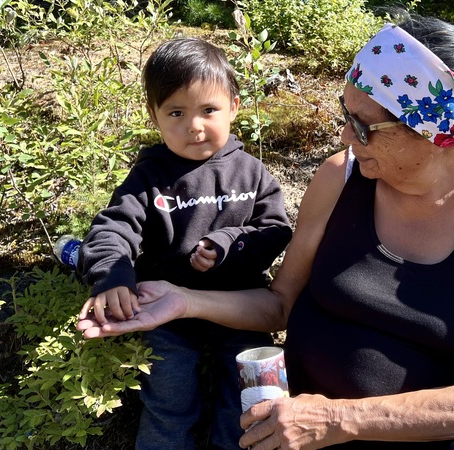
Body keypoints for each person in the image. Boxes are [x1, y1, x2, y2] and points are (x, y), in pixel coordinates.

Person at [78, 14, 454, 450]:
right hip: (298, 425)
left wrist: (337, 419)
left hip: (413, 431)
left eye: (365, 127)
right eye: (346, 115)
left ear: (434, 130)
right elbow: (280, 304)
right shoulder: (342, 175)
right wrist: (185, 301)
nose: (346, 137)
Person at [76, 37, 293, 450]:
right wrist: (112, 276)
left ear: (234, 105)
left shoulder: (251, 172)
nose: (194, 126)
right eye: (176, 112)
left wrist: (229, 242)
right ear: (153, 116)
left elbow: (275, 229)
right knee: (170, 396)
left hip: (241, 309)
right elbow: (112, 229)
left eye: (208, 110)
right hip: (166, 314)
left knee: (253, 397)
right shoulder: (149, 177)